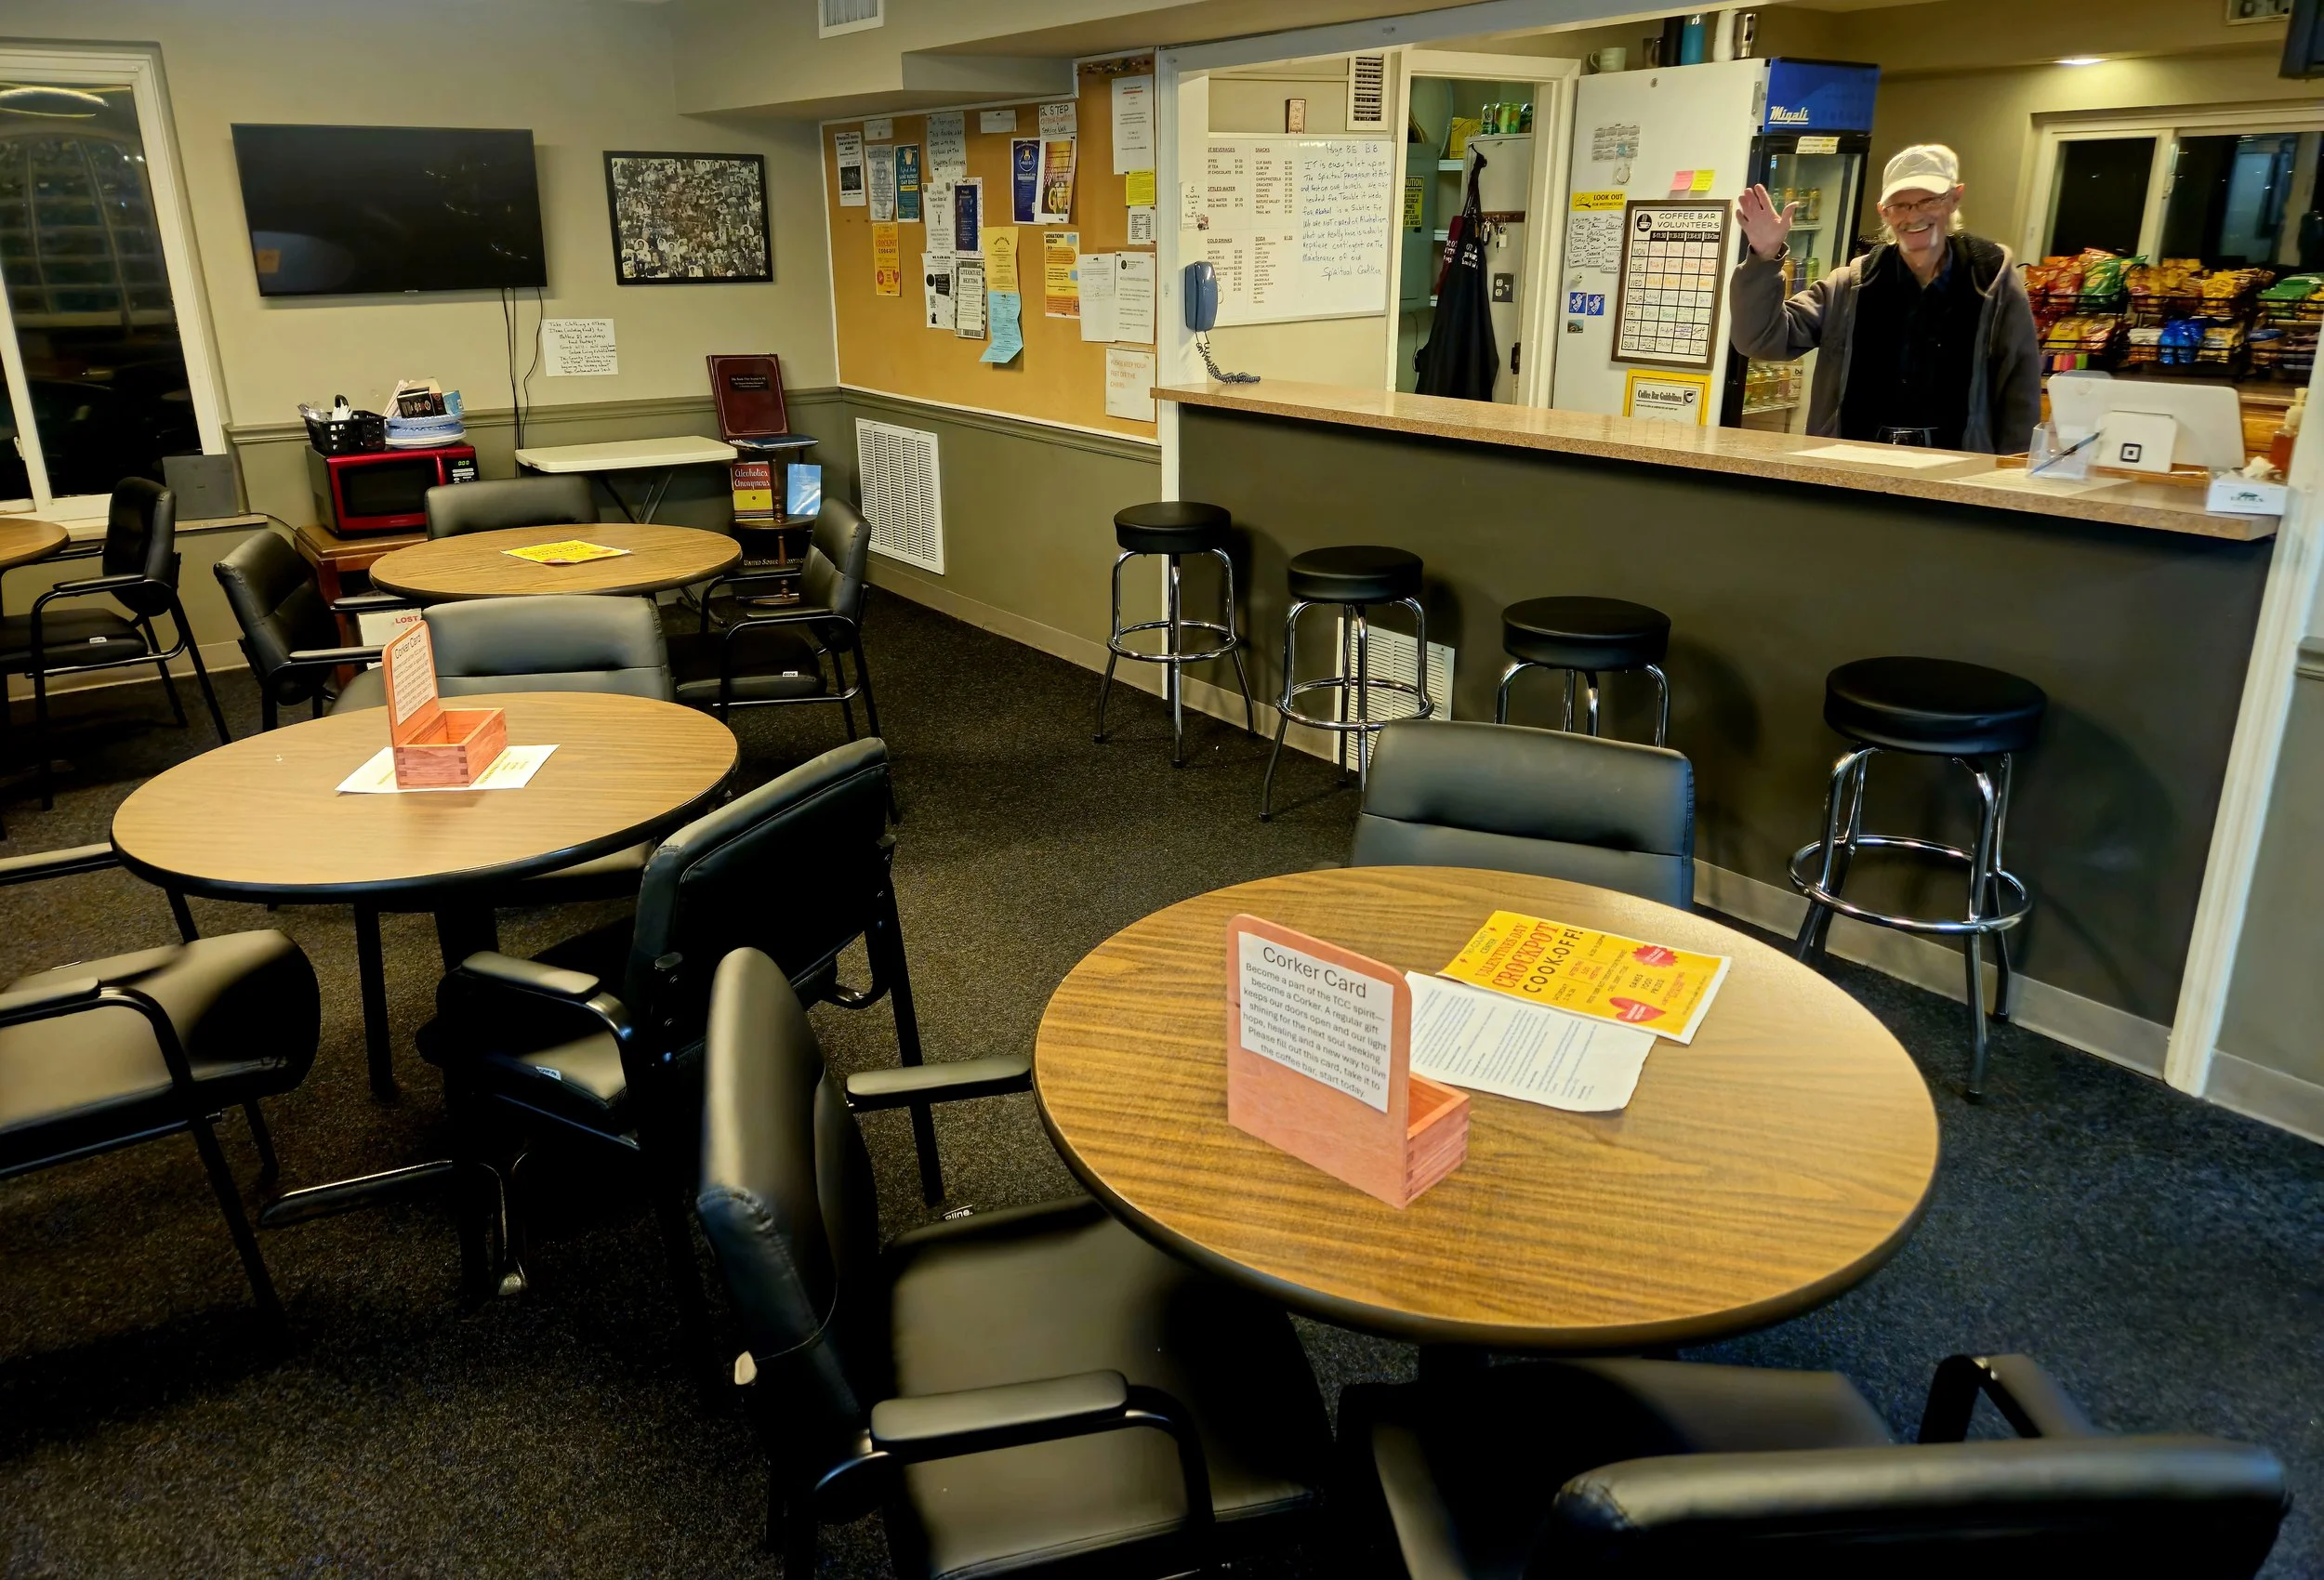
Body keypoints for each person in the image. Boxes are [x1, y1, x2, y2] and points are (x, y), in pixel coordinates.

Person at [1727, 144, 2040, 454]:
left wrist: (2011, 472)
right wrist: (1764, 258)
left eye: (1928, 201)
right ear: (1884, 212)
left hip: (1957, 470)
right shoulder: (1849, 286)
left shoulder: (1991, 282)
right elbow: (1760, 339)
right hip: (1854, 467)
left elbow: (2020, 390)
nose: (1913, 215)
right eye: (1900, 205)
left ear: (1954, 198)